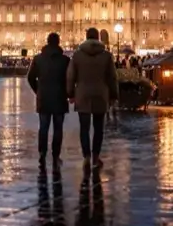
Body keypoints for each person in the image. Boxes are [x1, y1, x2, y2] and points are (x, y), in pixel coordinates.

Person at [67, 28, 118, 169]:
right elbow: (112, 77)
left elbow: (70, 76)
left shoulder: (77, 55)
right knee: (98, 128)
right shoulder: (107, 55)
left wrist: (70, 94)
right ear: (98, 38)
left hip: (82, 94)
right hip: (101, 95)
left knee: (84, 128)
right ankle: (96, 157)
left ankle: (86, 157)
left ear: (86, 37)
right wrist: (114, 95)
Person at [28, 33, 70, 168]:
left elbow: (30, 78)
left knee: (43, 128)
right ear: (58, 42)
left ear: (47, 42)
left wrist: (38, 91)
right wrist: (68, 93)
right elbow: (70, 79)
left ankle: (42, 154)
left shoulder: (38, 59)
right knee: (58, 129)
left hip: (43, 98)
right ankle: (56, 155)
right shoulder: (65, 60)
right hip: (60, 98)